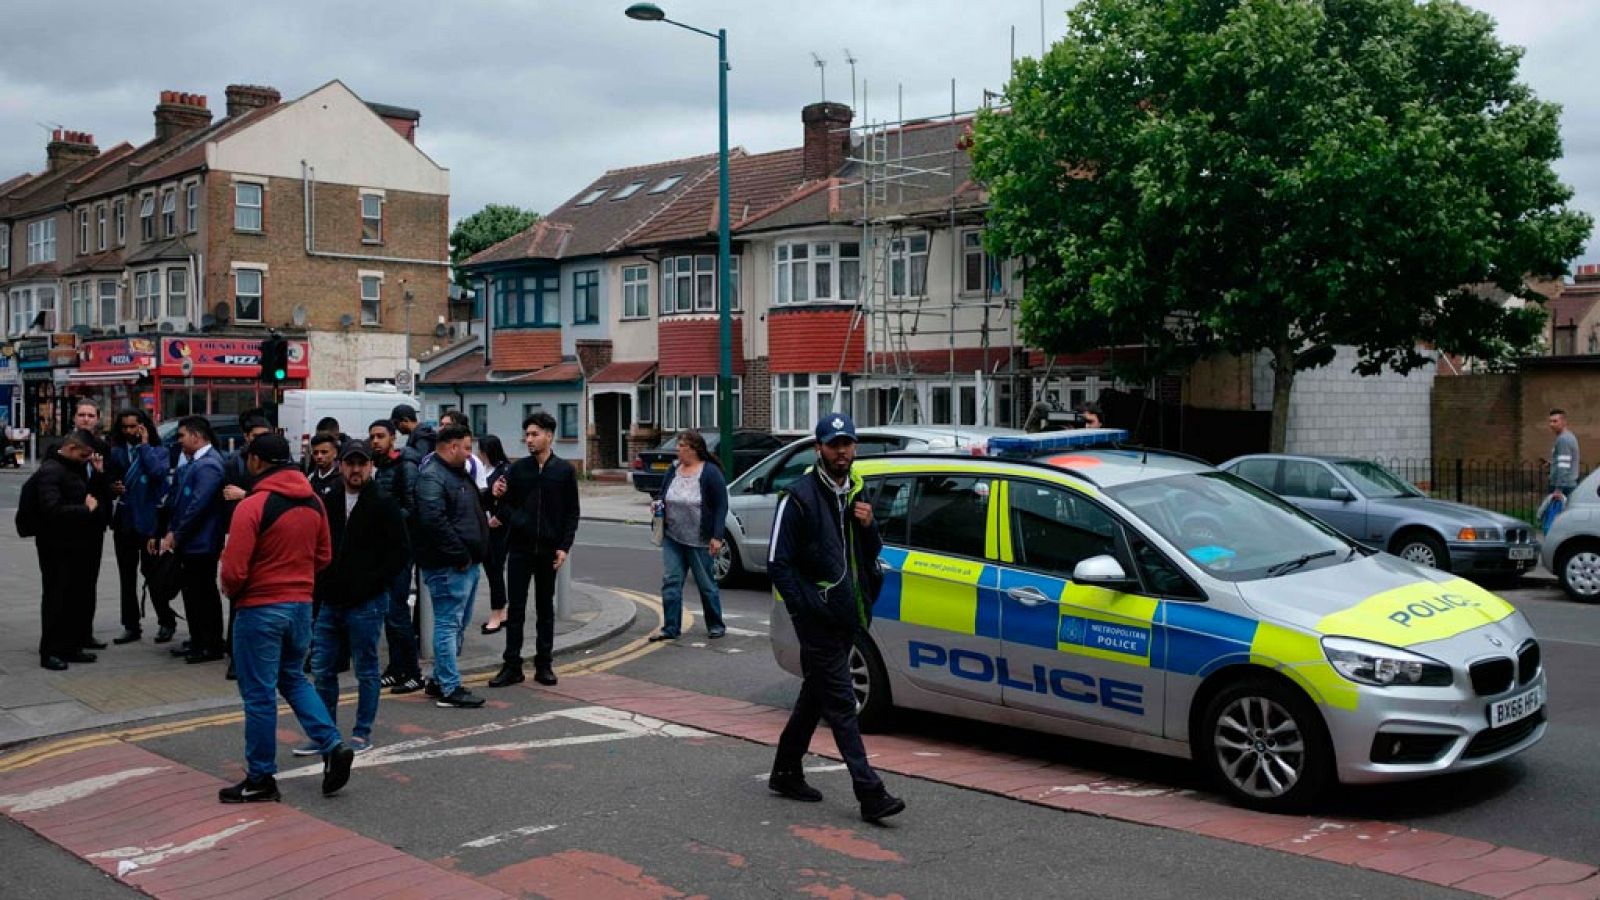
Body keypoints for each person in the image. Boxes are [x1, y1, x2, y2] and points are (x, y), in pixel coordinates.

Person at [767, 413, 904, 823]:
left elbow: (870, 552)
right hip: (819, 620)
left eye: (847, 443)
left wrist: (868, 525)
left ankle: (786, 771)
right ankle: (870, 793)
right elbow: (778, 563)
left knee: (816, 694)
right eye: (833, 444)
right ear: (818, 449)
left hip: (849, 612)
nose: (841, 451)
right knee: (842, 704)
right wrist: (804, 608)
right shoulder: (800, 497)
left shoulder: (856, 492)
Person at [218, 433, 353, 803]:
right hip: (300, 607)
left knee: (259, 695)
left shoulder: (253, 504)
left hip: (260, 609)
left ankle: (261, 777)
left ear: (257, 462)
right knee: (293, 678)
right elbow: (324, 556)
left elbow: (233, 570)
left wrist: (236, 590)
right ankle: (333, 744)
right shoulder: (312, 502)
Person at [299, 440, 408, 756]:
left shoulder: (383, 503)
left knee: (367, 669)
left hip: (367, 602)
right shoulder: (327, 498)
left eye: (362, 464)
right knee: (322, 670)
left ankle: (362, 733)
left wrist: (374, 584)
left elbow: (400, 552)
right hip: (330, 601)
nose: (356, 469)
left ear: (370, 466)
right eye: (350, 463)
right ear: (341, 464)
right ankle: (325, 734)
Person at [489, 414, 579, 688]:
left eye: (534, 434)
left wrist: (564, 546)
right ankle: (512, 665)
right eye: (526, 434)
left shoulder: (563, 471)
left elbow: (571, 513)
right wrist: (518, 518)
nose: (529, 439)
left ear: (549, 436)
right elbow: (502, 507)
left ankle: (544, 664)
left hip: (548, 551)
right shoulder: (518, 470)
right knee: (515, 610)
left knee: (545, 609)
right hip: (520, 549)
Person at [414, 424, 490, 708]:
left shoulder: (455, 473)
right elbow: (433, 520)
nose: (471, 455)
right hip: (449, 565)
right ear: (452, 447)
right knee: (447, 624)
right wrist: (459, 555)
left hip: (463, 562)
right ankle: (449, 687)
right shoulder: (432, 476)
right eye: (467, 448)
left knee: (458, 623)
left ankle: (438, 679)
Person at [29, 429, 105, 670]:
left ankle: (70, 647)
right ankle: (50, 651)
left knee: (74, 596)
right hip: (55, 546)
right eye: (84, 456)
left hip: (75, 544)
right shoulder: (51, 471)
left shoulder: (73, 467)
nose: (87, 461)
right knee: (56, 597)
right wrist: (86, 510)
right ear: (71, 449)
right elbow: (51, 510)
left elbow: (85, 493)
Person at [645, 429, 727, 643]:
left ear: (694, 450)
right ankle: (671, 627)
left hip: (699, 539)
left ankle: (716, 625)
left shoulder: (710, 472)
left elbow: (721, 506)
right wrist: (657, 503)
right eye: (678, 445)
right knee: (671, 581)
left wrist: (717, 536)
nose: (677, 450)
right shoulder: (673, 470)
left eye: (682, 446)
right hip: (673, 536)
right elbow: (663, 494)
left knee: (706, 584)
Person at [160, 415, 228, 664]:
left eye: (181, 436)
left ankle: (210, 644)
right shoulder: (194, 463)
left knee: (202, 594)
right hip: (192, 541)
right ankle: (198, 639)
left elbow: (197, 506)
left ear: (196, 437)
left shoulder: (209, 464)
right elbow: (179, 502)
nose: (178, 441)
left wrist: (177, 535)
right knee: (192, 593)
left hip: (202, 543)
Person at [106, 409, 177, 644]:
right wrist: (112, 488)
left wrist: (145, 446)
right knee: (126, 578)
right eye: (125, 427)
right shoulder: (115, 452)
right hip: (125, 522)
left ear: (143, 427)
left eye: (133, 426)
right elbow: (108, 481)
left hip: (150, 523)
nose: (129, 431)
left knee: (154, 575)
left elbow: (158, 473)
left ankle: (166, 621)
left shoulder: (159, 451)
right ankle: (131, 625)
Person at [369, 419, 425, 695]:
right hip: (385, 549)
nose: (375, 441)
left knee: (397, 612)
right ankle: (395, 668)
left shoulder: (406, 466)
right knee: (388, 612)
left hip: (402, 549)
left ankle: (413, 673)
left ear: (393, 437)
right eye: (372, 437)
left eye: (380, 436)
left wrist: (385, 521)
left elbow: (411, 508)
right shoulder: (382, 469)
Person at [71, 400, 113, 651]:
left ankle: (86, 632)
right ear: (75, 418)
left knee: (89, 581)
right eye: (81, 415)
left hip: (94, 524)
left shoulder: (102, 448)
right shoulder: (63, 446)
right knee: (69, 582)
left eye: (90, 415)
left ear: (97, 419)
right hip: (70, 522)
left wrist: (100, 474)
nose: (86, 419)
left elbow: (106, 486)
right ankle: (70, 633)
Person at [477, 434, 513, 636]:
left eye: (481, 450)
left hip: (498, 529)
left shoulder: (504, 470)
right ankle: (503, 611)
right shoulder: (484, 469)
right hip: (485, 526)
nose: (478, 454)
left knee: (494, 570)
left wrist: (499, 517)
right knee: (493, 570)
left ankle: (496, 615)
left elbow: (512, 498)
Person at [1545, 409, 1582, 531]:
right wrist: (1552, 463)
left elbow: (1564, 466)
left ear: (1564, 422)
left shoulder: (1563, 439)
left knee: (1556, 523)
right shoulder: (1568, 437)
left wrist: (1558, 489)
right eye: (1550, 421)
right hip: (1569, 484)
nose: (1551, 424)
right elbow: (1565, 461)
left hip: (1563, 486)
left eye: (1555, 421)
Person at [306, 433, 341, 502]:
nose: (319, 456)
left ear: (335, 453)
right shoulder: (310, 478)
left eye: (324, 452)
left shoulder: (342, 479)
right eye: (315, 453)